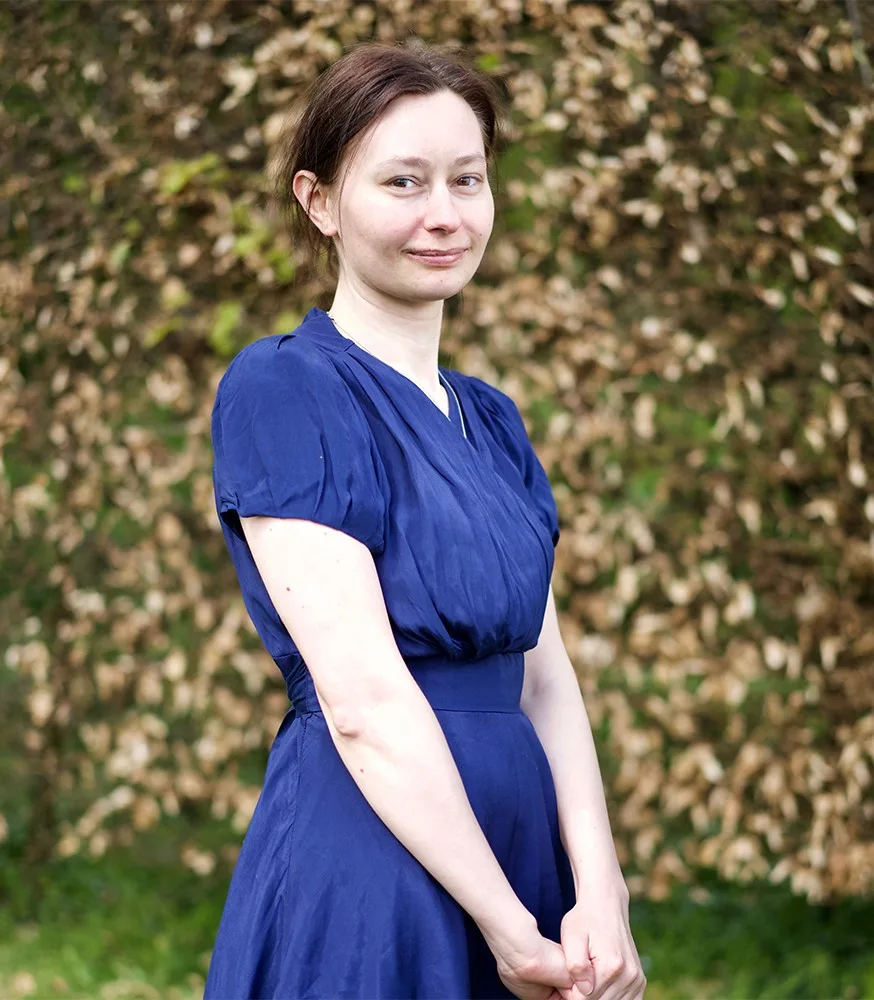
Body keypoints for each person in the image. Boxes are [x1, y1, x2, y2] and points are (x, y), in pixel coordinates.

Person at [205, 38, 646, 1000]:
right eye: (404, 182)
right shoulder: (286, 388)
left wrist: (601, 889)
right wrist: (504, 926)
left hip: (527, 858)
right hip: (376, 859)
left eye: (468, 179)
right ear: (319, 200)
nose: (444, 215)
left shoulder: (491, 418)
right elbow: (363, 704)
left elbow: (545, 677)